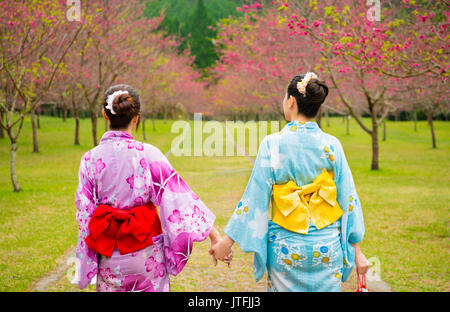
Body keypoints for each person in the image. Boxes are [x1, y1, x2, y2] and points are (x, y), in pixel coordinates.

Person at [209, 73, 369, 292]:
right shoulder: (332, 146)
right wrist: (357, 252)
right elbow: (348, 199)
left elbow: (254, 199)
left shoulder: (272, 144)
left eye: (285, 98)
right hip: (327, 249)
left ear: (291, 101)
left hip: (286, 250)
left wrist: (225, 244)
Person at [75, 84, 230, 292]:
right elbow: (179, 197)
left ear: (105, 114)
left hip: (110, 256)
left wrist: (87, 261)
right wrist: (214, 235)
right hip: (146, 256)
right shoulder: (148, 154)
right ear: (136, 118)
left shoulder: (89, 159)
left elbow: (85, 215)